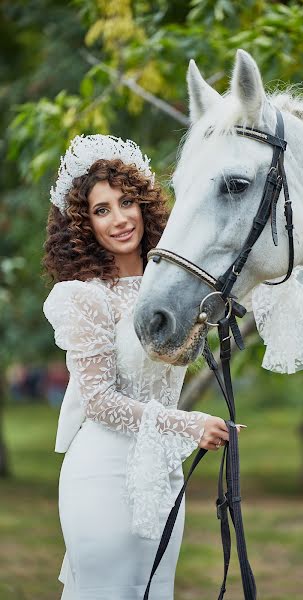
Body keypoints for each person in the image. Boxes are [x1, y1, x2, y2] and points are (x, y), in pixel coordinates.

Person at [42, 134, 241, 599]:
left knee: (154, 592)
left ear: (145, 204)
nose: (119, 219)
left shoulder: (175, 289)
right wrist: (188, 426)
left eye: (126, 201)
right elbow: (99, 401)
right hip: (102, 471)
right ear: (83, 224)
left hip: (162, 474)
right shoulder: (86, 297)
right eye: (101, 210)